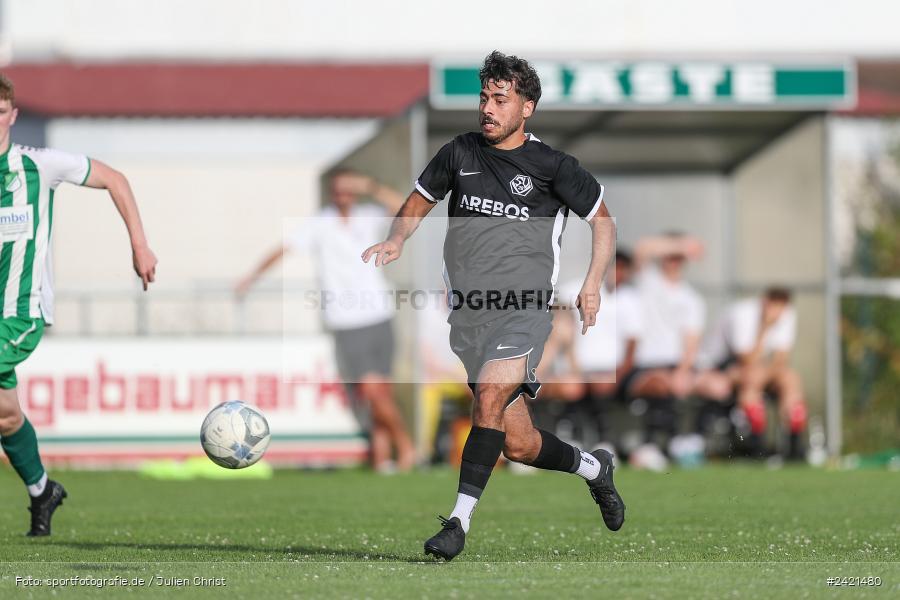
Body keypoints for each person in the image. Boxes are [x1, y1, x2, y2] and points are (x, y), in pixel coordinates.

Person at [362, 51, 623, 561]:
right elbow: (416, 205)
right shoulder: (458, 153)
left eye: (500, 99)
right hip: (468, 317)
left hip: (523, 311)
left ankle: (457, 523)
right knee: (517, 442)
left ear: (526, 108)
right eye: (484, 97)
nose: (488, 108)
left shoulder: (552, 166)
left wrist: (592, 283)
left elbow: (603, 221)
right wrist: (397, 239)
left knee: (486, 401)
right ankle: (595, 469)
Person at [0, 75, 157, 536]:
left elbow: (115, 179)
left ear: (12, 116)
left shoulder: (40, 166)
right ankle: (42, 490)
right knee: (6, 415)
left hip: (20, 312)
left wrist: (140, 245)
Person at [236, 169, 415, 472]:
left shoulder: (368, 215)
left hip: (379, 314)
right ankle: (407, 445)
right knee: (370, 390)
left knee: (381, 391)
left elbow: (404, 209)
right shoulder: (320, 224)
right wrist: (252, 277)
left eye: (348, 189)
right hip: (346, 320)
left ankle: (383, 459)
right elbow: (284, 249)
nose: (343, 195)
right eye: (338, 190)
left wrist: (371, 184)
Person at [628, 234, 710, 450]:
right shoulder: (648, 281)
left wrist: (683, 371)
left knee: (717, 386)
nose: (674, 261)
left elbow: (691, 342)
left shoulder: (692, 298)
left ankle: (695, 439)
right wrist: (683, 246)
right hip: (646, 364)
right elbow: (642, 248)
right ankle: (653, 444)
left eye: (678, 257)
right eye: (671, 255)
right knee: (660, 384)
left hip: (676, 365)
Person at [702, 288, 806, 458]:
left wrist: (768, 373)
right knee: (752, 377)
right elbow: (746, 360)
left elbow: (781, 360)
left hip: (758, 368)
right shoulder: (742, 314)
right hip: (717, 367)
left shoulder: (787, 314)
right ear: (765, 302)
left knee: (791, 378)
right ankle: (756, 443)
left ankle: (794, 444)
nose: (778, 314)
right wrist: (764, 327)